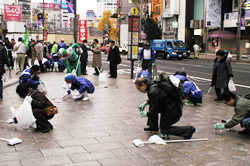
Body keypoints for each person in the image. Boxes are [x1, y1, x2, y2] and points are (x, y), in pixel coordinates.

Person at [0, 36, 11, 101]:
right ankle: (0, 96)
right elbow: (5, 58)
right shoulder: (2, 47)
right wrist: (9, 65)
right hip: (0, 66)